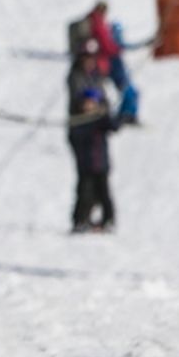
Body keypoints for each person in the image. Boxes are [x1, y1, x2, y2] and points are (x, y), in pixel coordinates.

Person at [66, 46, 119, 232]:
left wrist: (104, 112)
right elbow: (78, 101)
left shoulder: (97, 78)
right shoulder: (75, 77)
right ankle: (81, 219)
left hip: (99, 149)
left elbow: (112, 124)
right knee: (85, 184)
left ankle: (107, 219)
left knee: (103, 186)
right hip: (83, 140)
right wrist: (88, 106)